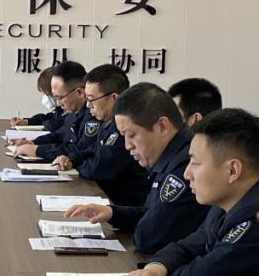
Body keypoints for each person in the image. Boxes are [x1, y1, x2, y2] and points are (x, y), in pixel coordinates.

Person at [126, 108, 259, 276]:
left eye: (195, 163)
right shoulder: (227, 202)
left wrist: (167, 273)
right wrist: (157, 268)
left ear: (232, 171)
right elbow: (187, 246)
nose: (187, 174)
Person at [64, 82, 208, 254]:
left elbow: (148, 237)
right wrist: (112, 213)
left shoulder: (186, 165)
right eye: (124, 136)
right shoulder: (170, 156)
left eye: (132, 135)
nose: (127, 145)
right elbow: (150, 213)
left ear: (162, 126)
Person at [49, 65, 150, 206]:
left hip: (124, 205)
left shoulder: (125, 129)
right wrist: (71, 159)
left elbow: (97, 168)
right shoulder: (107, 122)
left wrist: (75, 165)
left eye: (91, 99)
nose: (88, 105)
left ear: (114, 98)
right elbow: (92, 150)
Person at [13, 61, 93, 163]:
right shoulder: (72, 115)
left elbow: (80, 148)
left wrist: (37, 150)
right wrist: (33, 143)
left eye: (59, 97)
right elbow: (58, 136)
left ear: (79, 92)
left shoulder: (94, 115)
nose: (58, 103)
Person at [10, 66, 64, 131]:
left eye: (45, 93)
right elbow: (46, 118)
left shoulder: (69, 111)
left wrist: (46, 124)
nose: (45, 96)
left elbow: (52, 125)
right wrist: (27, 122)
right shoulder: (59, 110)